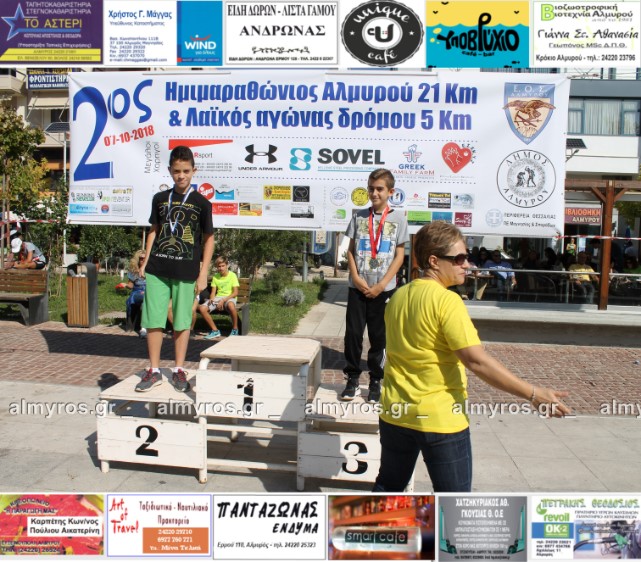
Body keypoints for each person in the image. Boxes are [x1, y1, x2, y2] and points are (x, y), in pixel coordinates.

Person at [372, 221, 570, 493]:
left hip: (395, 412)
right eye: (459, 258)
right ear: (434, 261)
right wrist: (533, 394)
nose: (467, 264)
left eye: (467, 257)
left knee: (387, 490)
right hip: (440, 417)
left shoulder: (398, 296)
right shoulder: (447, 301)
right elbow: (476, 360)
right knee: (454, 504)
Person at [135, 145, 214, 393]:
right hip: (157, 268)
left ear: (194, 171)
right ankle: (154, 370)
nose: (181, 176)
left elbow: (209, 239)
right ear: (170, 170)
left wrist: (203, 273)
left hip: (186, 271)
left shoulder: (202, 203)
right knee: (154, 319)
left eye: (186, 171)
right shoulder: (160, 199)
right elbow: (154, 230)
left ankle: (179, 369)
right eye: (177, 171)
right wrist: (146, 260)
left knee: (181, 321)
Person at [341, 168, 409, 403]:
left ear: (390, 191)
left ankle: (376, 381)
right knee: (353, 335)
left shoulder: (399, 219)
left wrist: (382, 284)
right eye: (371, 188)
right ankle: (351, 379)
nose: (374, 193)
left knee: (379, 337)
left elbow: (399, 256)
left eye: (379, 189)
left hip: (383, 290)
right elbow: (350, 251)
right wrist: (356, 277)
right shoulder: (359, 216)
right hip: (358, 288)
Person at [197, 255, 240, 339]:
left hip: (229, 298)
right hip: (218, 298)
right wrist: (212, 299)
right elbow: (213, 292)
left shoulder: (232, 275)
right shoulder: (216, 277)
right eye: (219, 266)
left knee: (231, 305)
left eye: (223, 266)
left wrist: (223, 300)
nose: (221, 268)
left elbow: (235, 293)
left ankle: (235, 329)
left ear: (227, 265)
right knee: (202, 308)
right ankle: (215, 331)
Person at [126, 250, 147, 338]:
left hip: (148, 292)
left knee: (146, 299)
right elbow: (130, 285)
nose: (143, 260)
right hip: (137, 292)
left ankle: (144, 327)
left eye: (145, 258)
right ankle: (144, 329)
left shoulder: (151, 271)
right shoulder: (134, 271)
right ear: (137, 259)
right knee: (145, 297)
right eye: (141, 258)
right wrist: (125, 285)